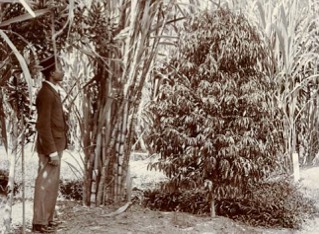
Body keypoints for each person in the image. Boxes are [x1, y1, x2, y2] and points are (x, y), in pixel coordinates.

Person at [32, 56, 68, 233]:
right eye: (60, 68)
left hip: (56, 144)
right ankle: (39, 222)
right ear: (52, 73)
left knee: (52, 183)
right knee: (45, 183)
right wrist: (52, 151)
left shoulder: (52, 91)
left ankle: (47, 219)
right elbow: (43, 125)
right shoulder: (46, 93)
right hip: (51, 146)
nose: (63, 71)